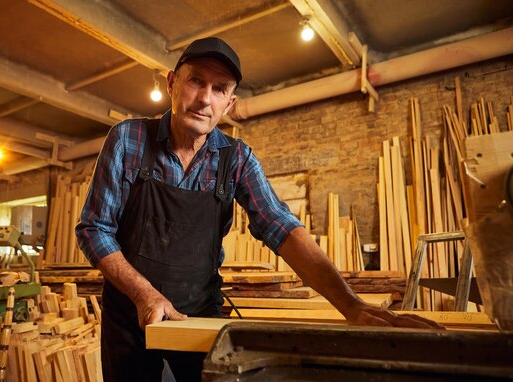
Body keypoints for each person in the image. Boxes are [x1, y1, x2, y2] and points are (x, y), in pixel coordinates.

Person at [76, 37, 443, 382]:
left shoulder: (236, 159)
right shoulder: (128, 140)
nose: (205, 98)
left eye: (219, 89)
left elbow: (281, 228)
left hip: (199, 315)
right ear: (172, 83)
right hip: (129, 314)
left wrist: (351, 306)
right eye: (195, 81)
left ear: (229, 103)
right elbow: (94, 229)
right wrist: (143, 293)